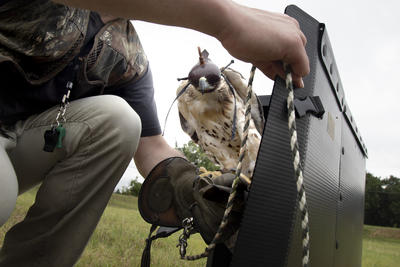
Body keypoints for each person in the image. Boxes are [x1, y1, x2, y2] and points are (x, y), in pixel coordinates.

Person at [0, 0, 309, 266]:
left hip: (20, 142)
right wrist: (231, 21)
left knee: (121, 121)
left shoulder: (128, 59)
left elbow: (151, 146)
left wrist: (195, 188)